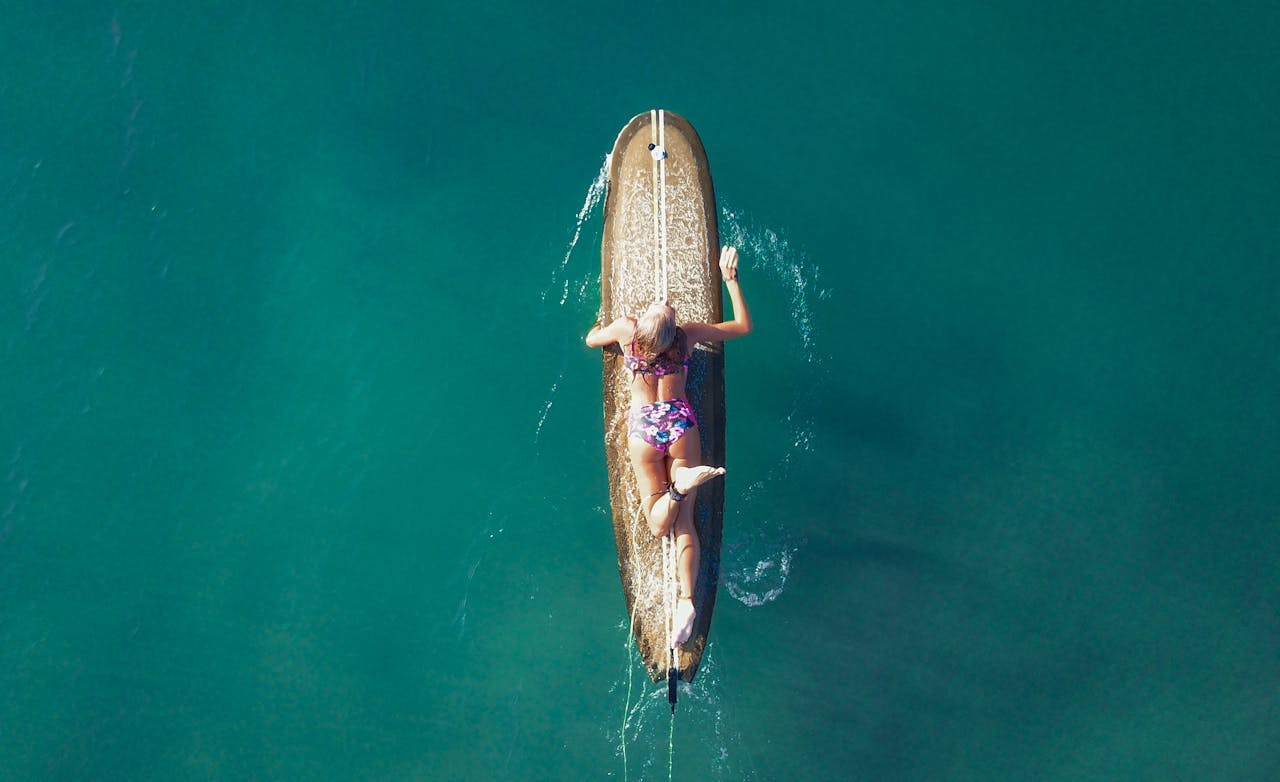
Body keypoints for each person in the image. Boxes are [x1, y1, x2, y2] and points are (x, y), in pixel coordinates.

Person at [586, 245, 752, 645]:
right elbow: (742, 326)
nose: (664, 301)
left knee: (657, 524)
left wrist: (600, 326)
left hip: (644, 430)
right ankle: (687, 600)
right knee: (685, 526)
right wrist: (730, 279)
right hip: (679, 426)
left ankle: (676, 490)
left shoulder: (627, 331)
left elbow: (592, 339)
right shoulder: (688, 336)